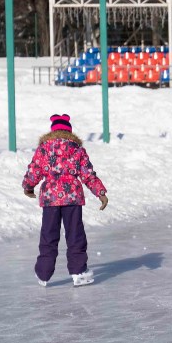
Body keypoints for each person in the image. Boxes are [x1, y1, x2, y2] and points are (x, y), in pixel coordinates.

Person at [22, 114, 108, 287]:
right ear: (69, 131)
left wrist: (28, 186)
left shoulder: (44, 149)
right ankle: (78, 272)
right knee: (75, 235)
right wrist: (100, 192)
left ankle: (44, 274)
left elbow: (35, 171)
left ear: (53, 130)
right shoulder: (77, 149)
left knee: (48, 235)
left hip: (50, 199)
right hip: (72, 199)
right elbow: (88, 174)